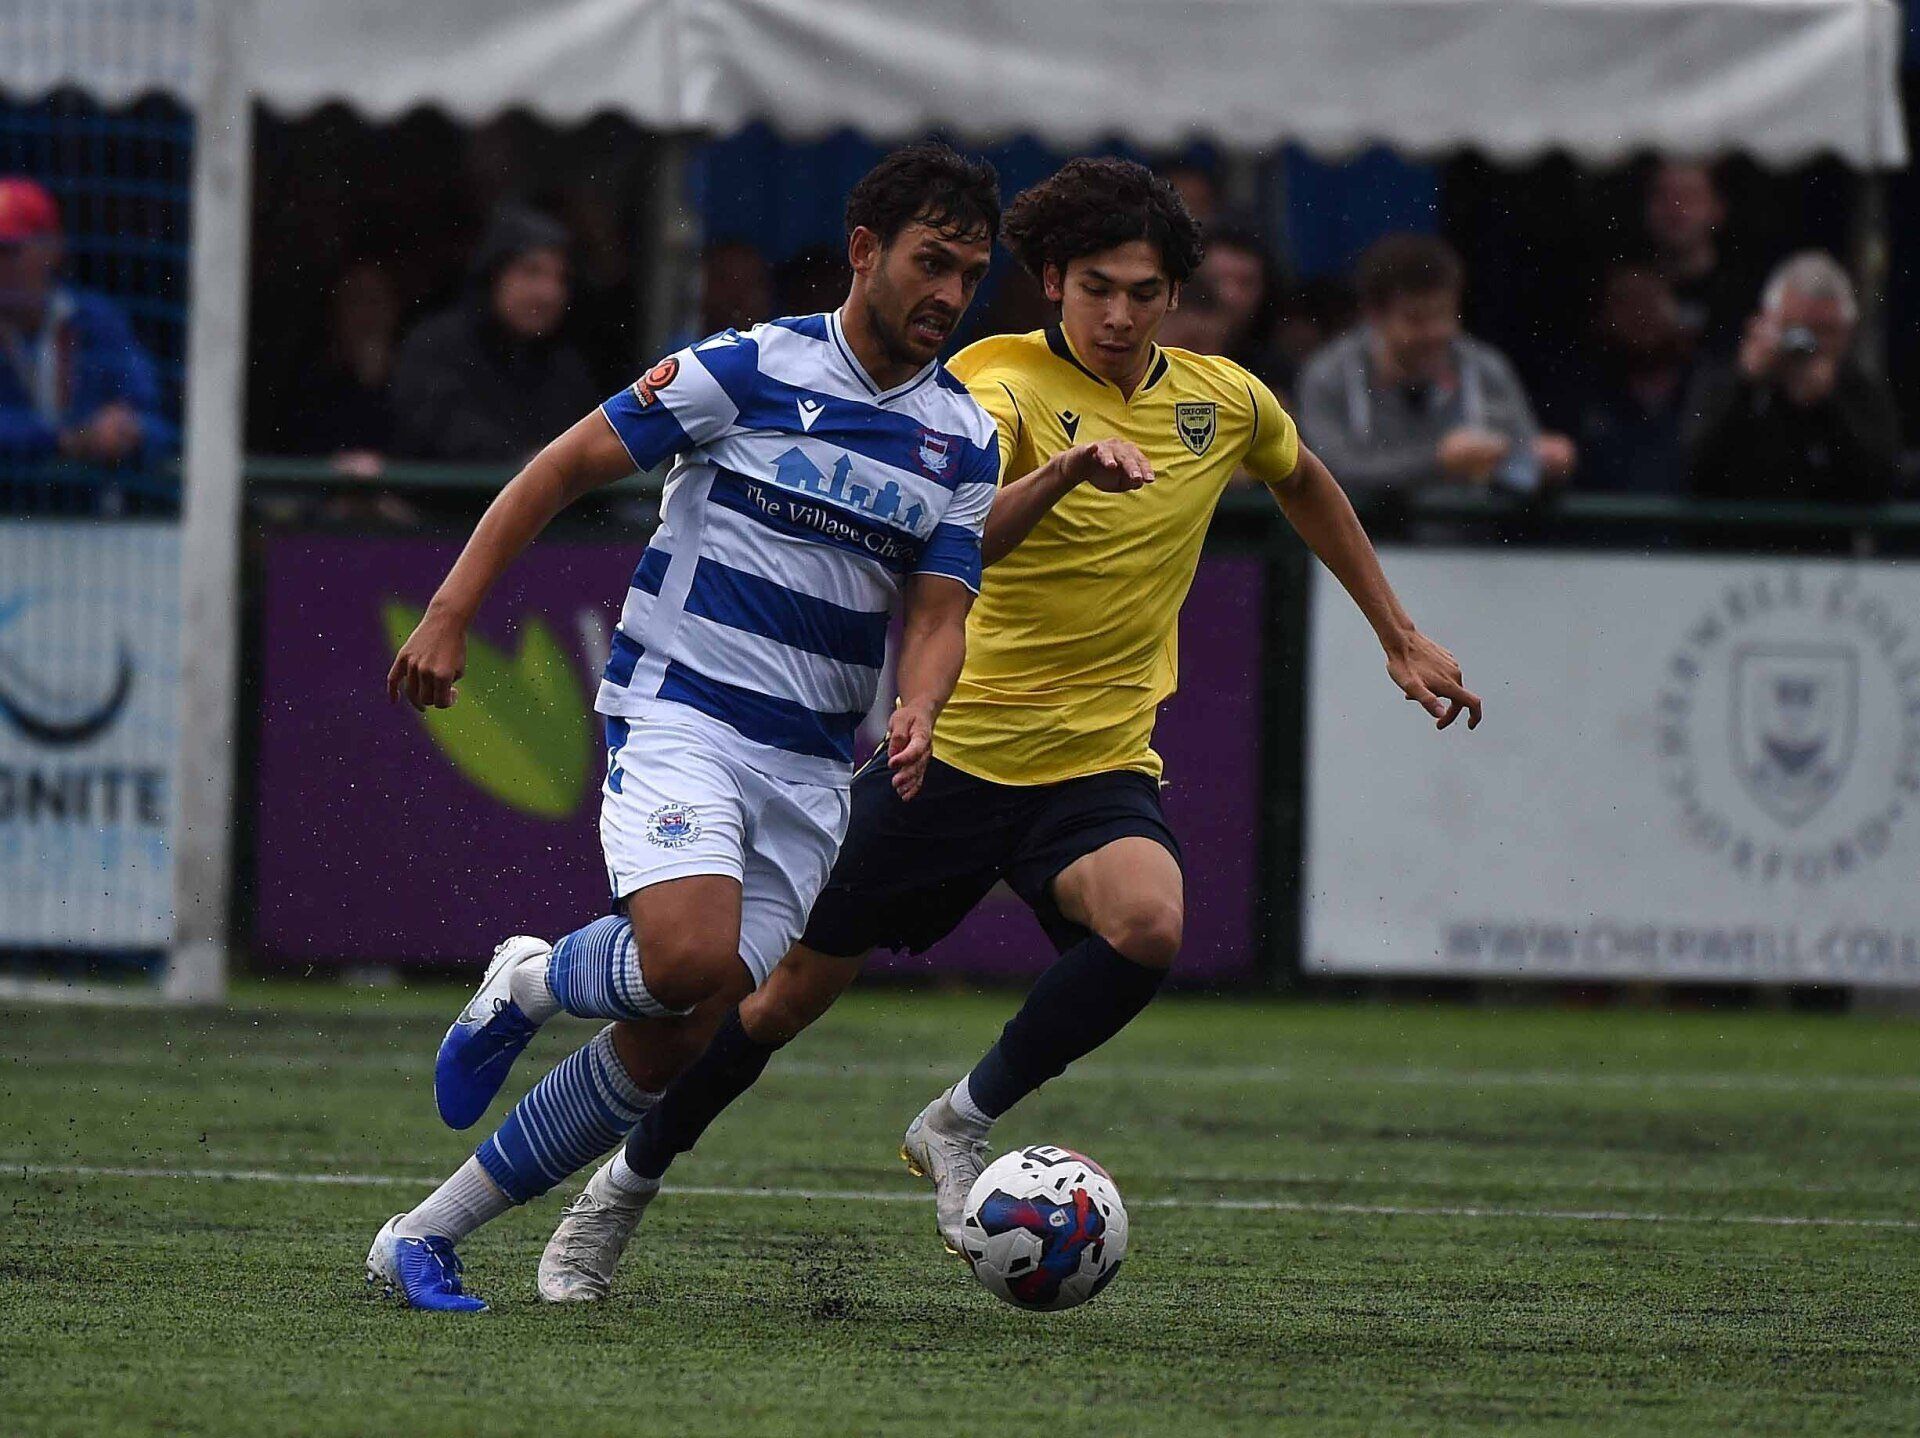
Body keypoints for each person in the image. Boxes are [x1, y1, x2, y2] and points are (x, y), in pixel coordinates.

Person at [531, 158, 1483, 1301]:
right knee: (774, 1001)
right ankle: (617, 1192)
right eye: (1097, 288)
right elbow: (955, 533)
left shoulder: (1224, 401)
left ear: (1174, 296)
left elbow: (1305, 480)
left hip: (1095, 763)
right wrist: (1068, 470)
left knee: (1149, 923)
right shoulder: (994, 382)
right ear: (1053, 283)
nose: (1120, 314)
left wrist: (1397, 633)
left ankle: (957, 1119)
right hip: (951, 754)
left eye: (1143, 292)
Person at [364, 143, 1030, 1311]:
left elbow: (939, 610)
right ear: (864, 251)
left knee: (683, 1028)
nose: (949, 294)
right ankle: (531, 978)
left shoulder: (963, 439)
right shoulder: (749, 367)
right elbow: (561, 466)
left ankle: (423, 1234)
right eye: (931, 262)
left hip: (812, 770)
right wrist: (452, 610)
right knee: (682, 960)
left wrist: (922, 702)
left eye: (970, 275)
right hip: (685, 716)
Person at [1296, 233, 1576, 497]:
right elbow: (1328, 472)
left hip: (1469, 531)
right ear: (1374, 316)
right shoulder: (1328, 374)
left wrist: (1543, 464)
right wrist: (1438, 461)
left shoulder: (1485, 368)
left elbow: (1520, 465)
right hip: (1364, 530)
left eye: (1444, 315)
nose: (1435, 332)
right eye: (1417, 319)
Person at [0, 176, 175, 492]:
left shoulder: (95, 321)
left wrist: (126, 430)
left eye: (9, 251)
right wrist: (67, 440)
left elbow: (155, 420)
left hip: (92, 513)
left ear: (51, 249)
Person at [387, 205, 600, 464]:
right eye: (531, 272)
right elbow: (438, 435)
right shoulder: (436, 346)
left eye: (561, 278)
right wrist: (522, 463)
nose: (549, 293)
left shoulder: (566, 366)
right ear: (494, 275)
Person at [1688, 252, 1900, 504]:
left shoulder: (1858, 388)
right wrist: (1745, 383)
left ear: (1847, 333)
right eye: (1794, 328)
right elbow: (1695, 472)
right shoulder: (1724, 376)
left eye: (1824, 331)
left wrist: (1828, 405)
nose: (1807, 344)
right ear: (1765, 322)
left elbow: (1881, 485)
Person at [1553, 262, 1701, 496]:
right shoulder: (1579, 394)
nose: (1640, 315)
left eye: (1650, 300)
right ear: (1604, 315)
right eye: (1627, 302)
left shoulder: (1708, 387)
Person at [1641, 160, 1755, 357]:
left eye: (1689, 196)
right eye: (1662, 195)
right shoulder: (1628, 293)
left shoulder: (1746, 295)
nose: (1674, 207)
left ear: (1718, 209)